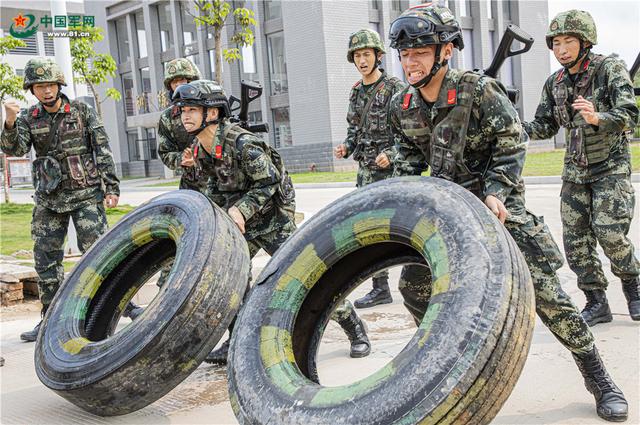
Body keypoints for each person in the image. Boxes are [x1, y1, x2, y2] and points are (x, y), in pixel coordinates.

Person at [387, 5, 628, 421]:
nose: (411, 62)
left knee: (548, 296)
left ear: (445, 51)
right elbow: (409, 155)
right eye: (405, 54)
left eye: (420, 52)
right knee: (413, 287)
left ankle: (599, 377)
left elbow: (512, 141)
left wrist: (498, 191)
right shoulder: (402, 103)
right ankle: (450, 364)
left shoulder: (478, 91)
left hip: (495, 206)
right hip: (446, 208)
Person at [171, 80, 371, 364]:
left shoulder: (243, 143)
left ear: (212, 113)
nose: (185, 116)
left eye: (192, 109)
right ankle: (237, 341)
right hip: (242, 226)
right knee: (232, 282)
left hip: (273, 219)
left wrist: (241, 209)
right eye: (183, 110)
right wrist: (192, 174)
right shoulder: (198, 150)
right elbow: (209, 191)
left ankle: (355, 329)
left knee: (310, 276)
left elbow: (269, 181)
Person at [0, 58, 139, 341]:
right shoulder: (28, 117)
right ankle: (50, 319)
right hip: (49, 198)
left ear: (59, 84)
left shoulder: (81, 111)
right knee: (46, 259)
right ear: (32, 89)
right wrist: (10, 121)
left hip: (85, 194)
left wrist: (111, 186)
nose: (47, 91)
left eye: (50, 84)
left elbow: (102, 147)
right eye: (40, 86)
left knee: (101, 252)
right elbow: (15, 148)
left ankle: (124, 304)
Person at [523, 10, 639, 326]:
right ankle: (596, 301)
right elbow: (545, 125)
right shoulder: (555, 83)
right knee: (575, 241)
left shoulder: (609, 69)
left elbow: (630, 115)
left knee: (609, 232)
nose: (561, 49)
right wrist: (514, 127)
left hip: (610, 167)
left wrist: (598, 117)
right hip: (575, 171)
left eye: (568, 41)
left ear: (584, 41)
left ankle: (634, 286)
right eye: (556, 43)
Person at [334, 28, 406, 309]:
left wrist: (391, 153)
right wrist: (346, 147)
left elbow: (410, 131)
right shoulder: (356, 92)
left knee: (400, 227)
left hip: (392, 171)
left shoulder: (395, 89)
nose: (362, 60)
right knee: (370, 228)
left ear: (378, 56)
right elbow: (354, 129)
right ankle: (380, 287)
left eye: (366, 54)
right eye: (357, 56)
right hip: (366, 171)